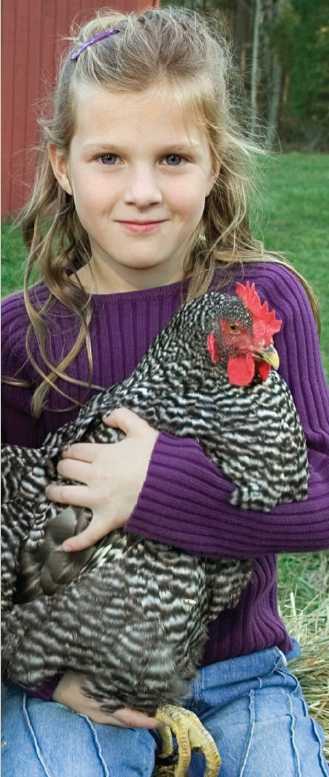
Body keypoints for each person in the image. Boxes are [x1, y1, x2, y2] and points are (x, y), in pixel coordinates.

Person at [1, 6, 328, 776]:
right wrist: (48, 675)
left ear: (214, 162)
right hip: (66, 678)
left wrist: (152, 485)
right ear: (62, 164)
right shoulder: (22, 334)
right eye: (109, 157)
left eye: (173, 159)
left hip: (238, 672)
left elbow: (320, 488)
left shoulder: (265, 297)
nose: (141, 191)